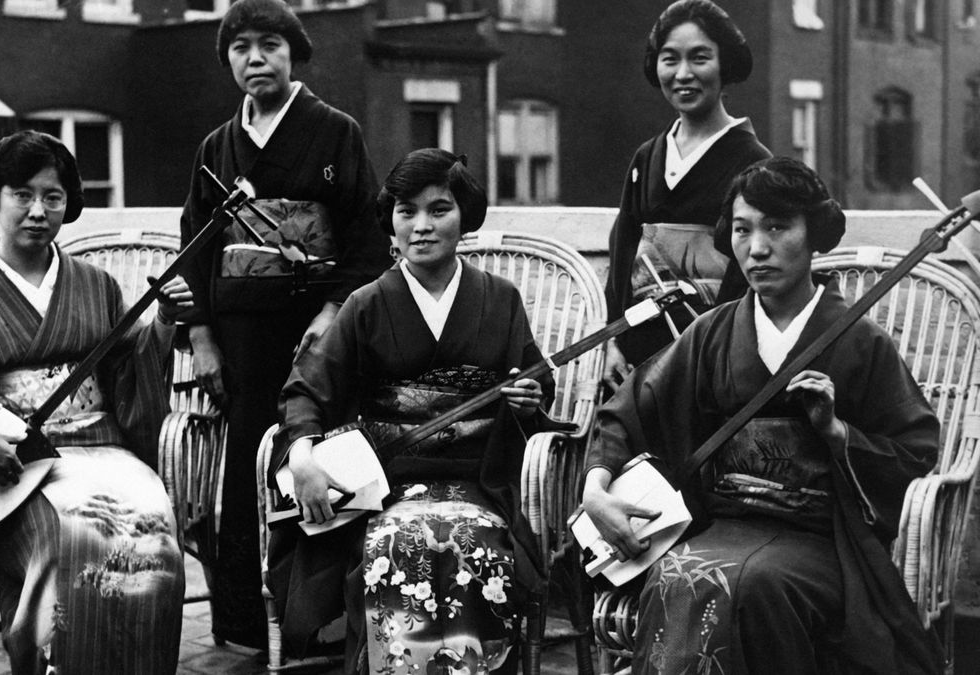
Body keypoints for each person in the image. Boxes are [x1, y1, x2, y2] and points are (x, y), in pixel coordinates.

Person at [583, 157, 943, 674]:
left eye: (778, 227)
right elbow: (630, 411)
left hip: (824, 540)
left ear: (814, 232)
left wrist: (838, 433)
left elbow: (914, 451)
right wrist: (597, 489)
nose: (757, 248)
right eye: (742, 229)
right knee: (677, 573)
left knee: (752, 584)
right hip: (722, 523)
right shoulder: (713, 332)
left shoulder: (859, 340)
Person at [0, 130, 189, 674]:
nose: (38, 210)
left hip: (104, 449)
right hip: (19, 466)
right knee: (74, 537)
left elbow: (127, 366)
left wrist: (166, 323)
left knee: (154, 535)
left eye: (53, 197)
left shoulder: (95, 284)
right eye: (22, 194)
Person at [269, 149, 554, 673]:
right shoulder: (367, 303)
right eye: (407, 211)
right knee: (393, 543)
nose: (422, 226)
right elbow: (307, 390)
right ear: (391, 225)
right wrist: (304, 454)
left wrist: (529, 397)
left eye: (439, 209)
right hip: (388, 482)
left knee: (479, 545)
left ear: (464, 218)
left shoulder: (501, 298)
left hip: (482, 477)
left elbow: (537, 382)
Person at [177, 0, 392, 649]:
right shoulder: (218, 144)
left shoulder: (334, 130)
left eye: (268, 45)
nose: (254, 59)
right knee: (242, 468)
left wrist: (332, 314)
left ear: (292, 51)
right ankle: (245, 623)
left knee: (320, 461)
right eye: (240, 49)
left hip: (317, 334)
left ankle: (317, 624)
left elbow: (367, 235)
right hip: (240, 338)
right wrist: (202, 336)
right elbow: (193, 247)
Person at [603, 0, 771, 388]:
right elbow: (624, 245)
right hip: (636, 344)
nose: (683, 74)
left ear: (724, 64)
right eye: (669, 59)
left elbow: (748, 265)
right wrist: (613, 339)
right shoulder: (647, 156)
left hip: (711, 349)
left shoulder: (752, 160)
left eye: (699, 58)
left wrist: (716, 350)